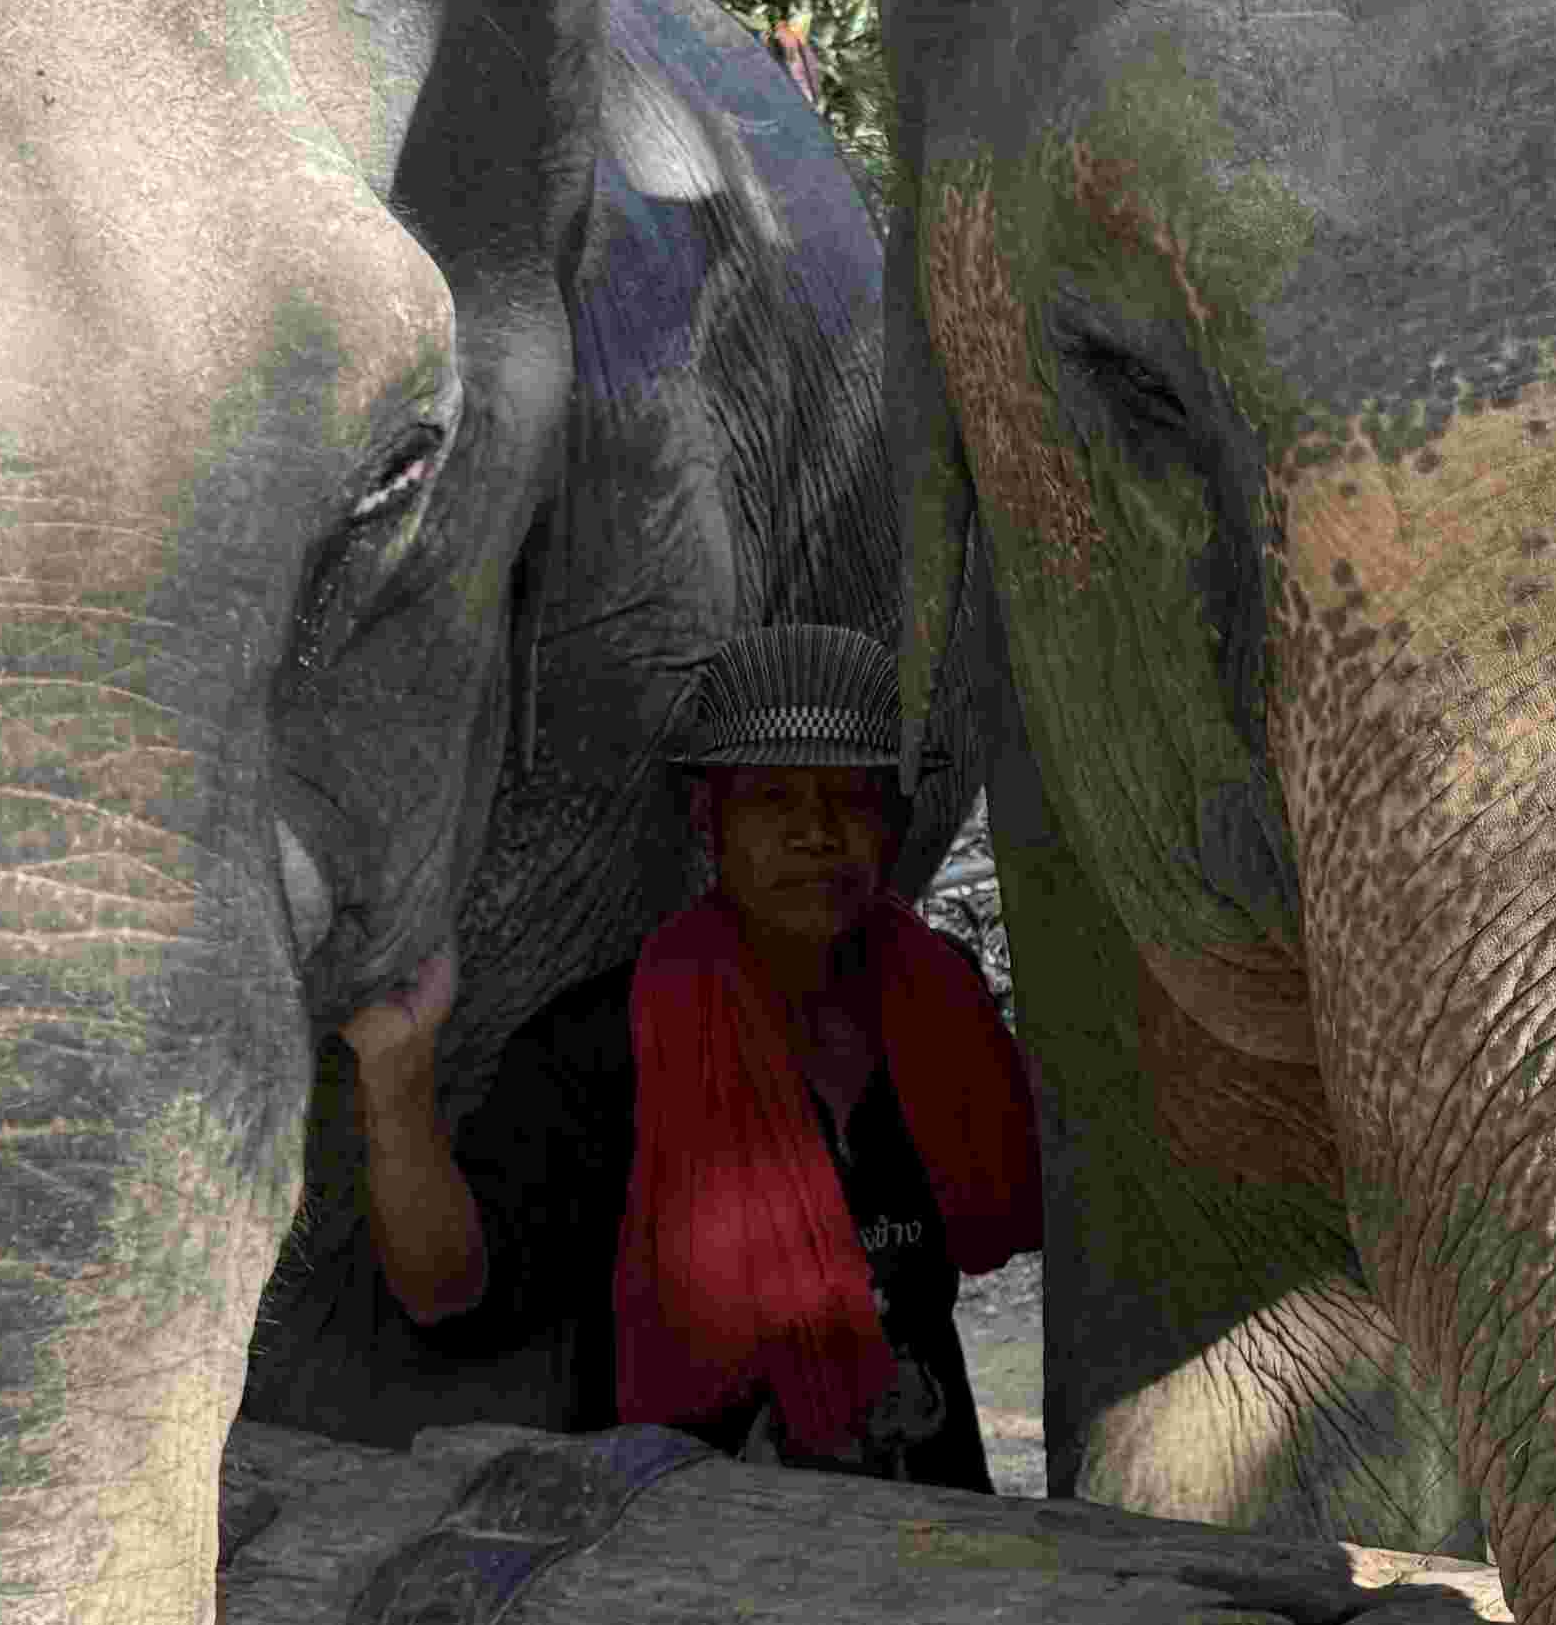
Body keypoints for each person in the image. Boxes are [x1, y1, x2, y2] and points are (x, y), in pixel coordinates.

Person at [342, 625, 1037, 1487]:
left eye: (851, 799)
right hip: (686, 1551)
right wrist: (396, 1075)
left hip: (932, 1528)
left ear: (895, 823)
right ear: (709, 821)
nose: (816, 834)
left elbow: (1033, 1195)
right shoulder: (607, 1045)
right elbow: (451, 1297)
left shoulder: (946, 1010)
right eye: (773, 800)